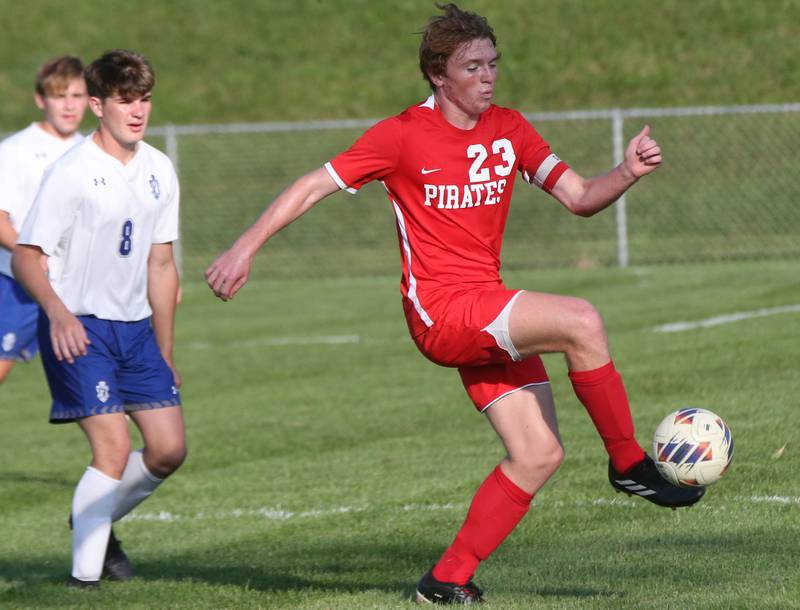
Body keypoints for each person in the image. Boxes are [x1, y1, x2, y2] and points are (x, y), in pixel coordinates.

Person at [206, 4, 704, 604]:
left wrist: (625, 171)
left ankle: (445, 580)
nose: (487, 76)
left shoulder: (511, 128)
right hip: (442, 313)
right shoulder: (400, 136)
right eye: (473, 66)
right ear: (438, 74)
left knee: (538, 454)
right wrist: (244, 247)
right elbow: (313, 184)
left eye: (493, 63)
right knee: (581, 320)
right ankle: (628, 463)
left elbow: (578, 196)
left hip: (486, 310)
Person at [12, 49, 185, 589]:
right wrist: (58, 314)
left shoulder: (159, 168)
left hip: (135, 331)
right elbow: (25, 254)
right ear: (97, 105)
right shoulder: (74, 172)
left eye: (144, 100)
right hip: (80, 327)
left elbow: (161, 265)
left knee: (168, 450)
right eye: (124, 101)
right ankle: (83, 582)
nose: (137, 111)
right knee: (110, 448)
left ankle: (92, 517)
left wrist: (166, 351)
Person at [0, 56, 87, 383]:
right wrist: (34, 254)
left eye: (77, 96)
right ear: (41, 99)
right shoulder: (15, 150)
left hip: (74, 289)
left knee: (99, 385)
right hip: (16, 285)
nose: (69, 106)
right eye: (59, 96)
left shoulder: (90, 151)